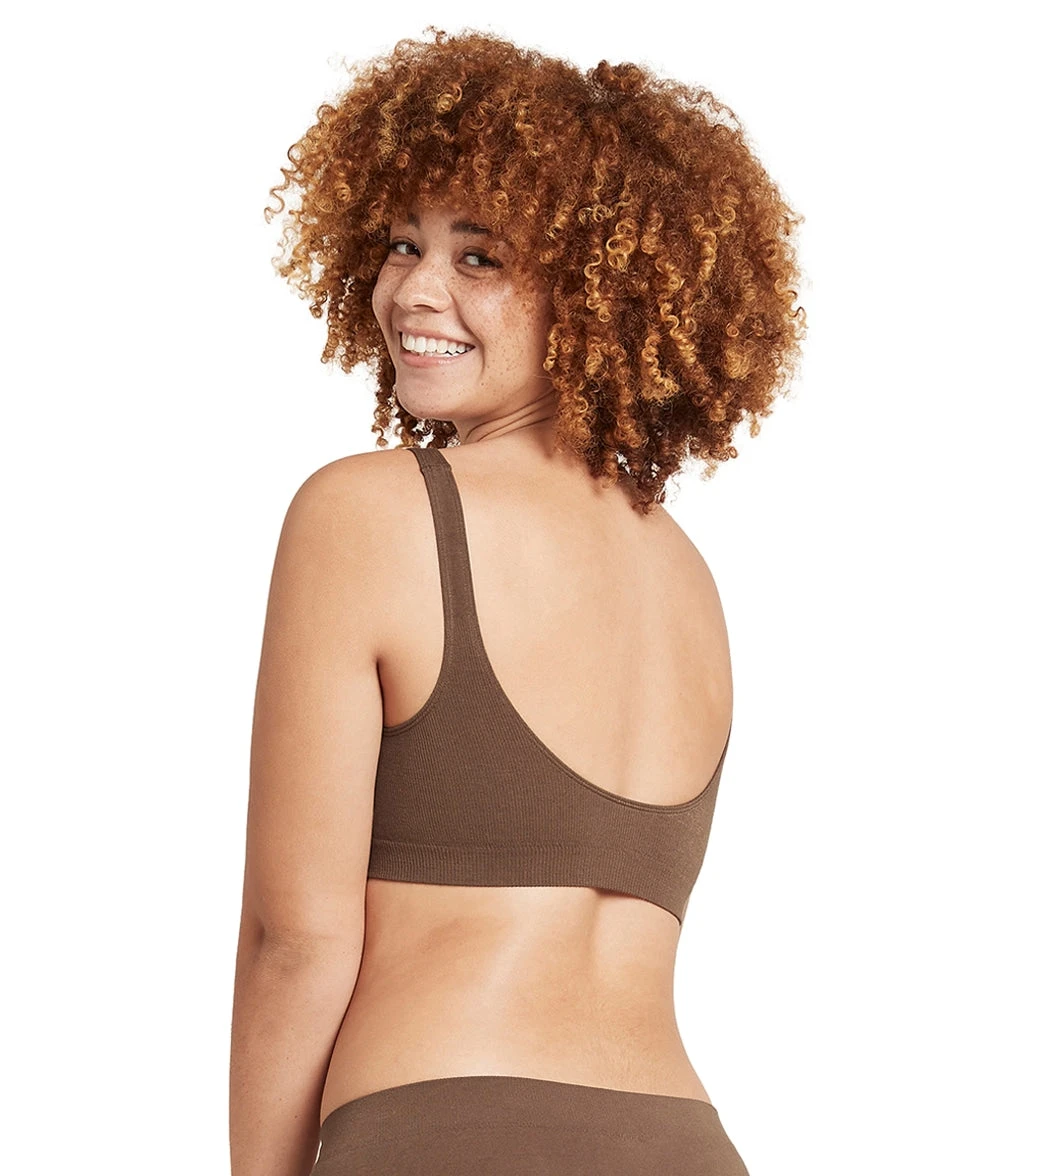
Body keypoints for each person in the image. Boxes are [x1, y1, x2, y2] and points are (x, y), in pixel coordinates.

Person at [230, 26, 805, 1176]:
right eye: (403, 244)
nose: (414, 290)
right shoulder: (685, 578)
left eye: (480, 258)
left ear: (597, 293)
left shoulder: (369, 513)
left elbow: (294, 940)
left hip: (446, 1134)